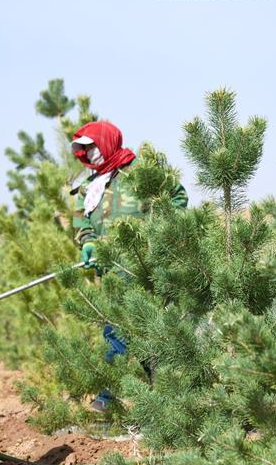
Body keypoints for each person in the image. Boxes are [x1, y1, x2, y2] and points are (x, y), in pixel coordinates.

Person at [70, 120, 188, 411]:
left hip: (146, 269)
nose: (88, 155)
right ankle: (116, 398)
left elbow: (178, 196)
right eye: (83, 150)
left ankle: (149, 399)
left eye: (92, 147)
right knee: (115, 331)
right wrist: (87, 241)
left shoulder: (140, 173)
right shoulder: (89, 184)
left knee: (150, 331)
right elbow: (81, 220)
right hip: (111, 272)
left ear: (106, 142)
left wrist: (158, 232)